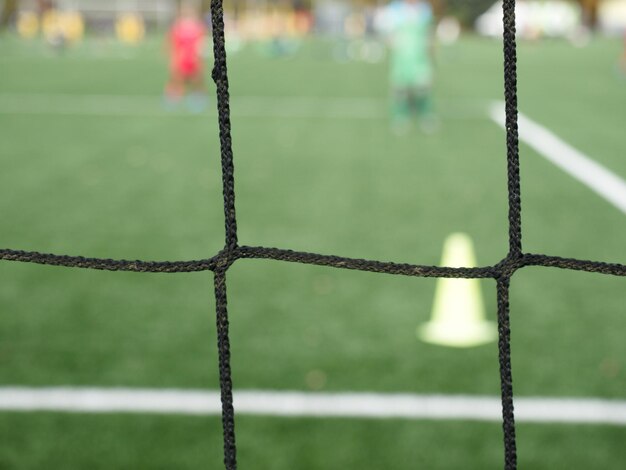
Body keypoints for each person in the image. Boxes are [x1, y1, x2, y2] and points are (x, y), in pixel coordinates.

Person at [379, 0, 436, 133]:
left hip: (420, 56)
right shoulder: (394, 9)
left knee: (423, 86)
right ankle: (400, 116)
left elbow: (429, 33)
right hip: (401, 57)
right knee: (400, 88)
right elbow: (386, 31)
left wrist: (431, 51)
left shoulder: (424, 9)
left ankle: (425, 114)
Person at [164, 3, 207, 113]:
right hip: (181, 59)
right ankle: (173, 97)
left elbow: (201, 44)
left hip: (193, 59)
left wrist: (199, 57)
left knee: (196, 80)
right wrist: (173, 58)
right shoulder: (177, 26)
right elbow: (171, 43)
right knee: (177, 79)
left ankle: (197, 98)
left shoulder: (199, 27)